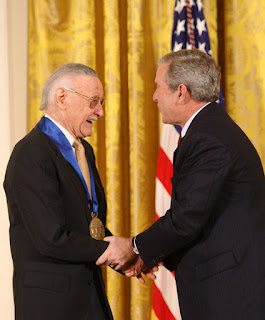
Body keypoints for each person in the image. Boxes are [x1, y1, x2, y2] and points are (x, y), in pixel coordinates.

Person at [96, 49, 265, 319]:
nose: (154, 96)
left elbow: (187, 218)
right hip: (225, 288)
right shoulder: (211, 130)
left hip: (228, 295)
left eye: (158, 87)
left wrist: (135, 247)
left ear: (180, 92)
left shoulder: (208, 139)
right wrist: (148, 256)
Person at [4, 63, 114, 320]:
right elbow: (51, 237)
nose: (100, 111)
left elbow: (87, 225)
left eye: (101, 102)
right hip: (50, 306)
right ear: (62, 97)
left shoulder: (84, 151)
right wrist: (111, 250)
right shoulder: (30, 153)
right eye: (94, 101)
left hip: (90, 298)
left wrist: (127, 257)